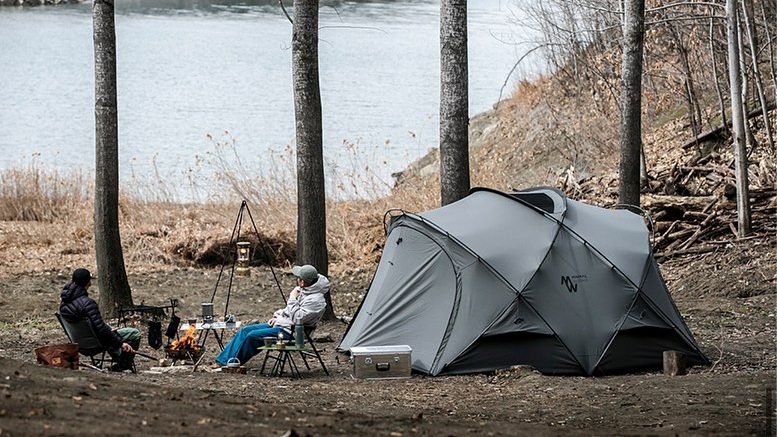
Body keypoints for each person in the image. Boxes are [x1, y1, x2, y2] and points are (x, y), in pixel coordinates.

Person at [214, 264, 330, 367]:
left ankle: (231, 363)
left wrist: (292, 298)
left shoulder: (316, 300)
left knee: (252, 336)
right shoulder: (304, 290)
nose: (297, 280)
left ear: (303, 282)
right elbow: (288, 311)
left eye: (298, 278)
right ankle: (222, 360)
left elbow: (297, 318)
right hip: (284, 326)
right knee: (245, 330)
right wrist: (277, 317)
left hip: (293, 333)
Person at [59, 268, 141, 371]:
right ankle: (123, 364)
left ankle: (120, 360)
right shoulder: (88, 303)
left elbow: (97, 326)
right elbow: (102, 330)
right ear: (88, 283)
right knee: (134, 333)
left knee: (109, 332)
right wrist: (121, 343)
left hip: (79, 343)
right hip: (96, 343)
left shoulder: (64, 303)